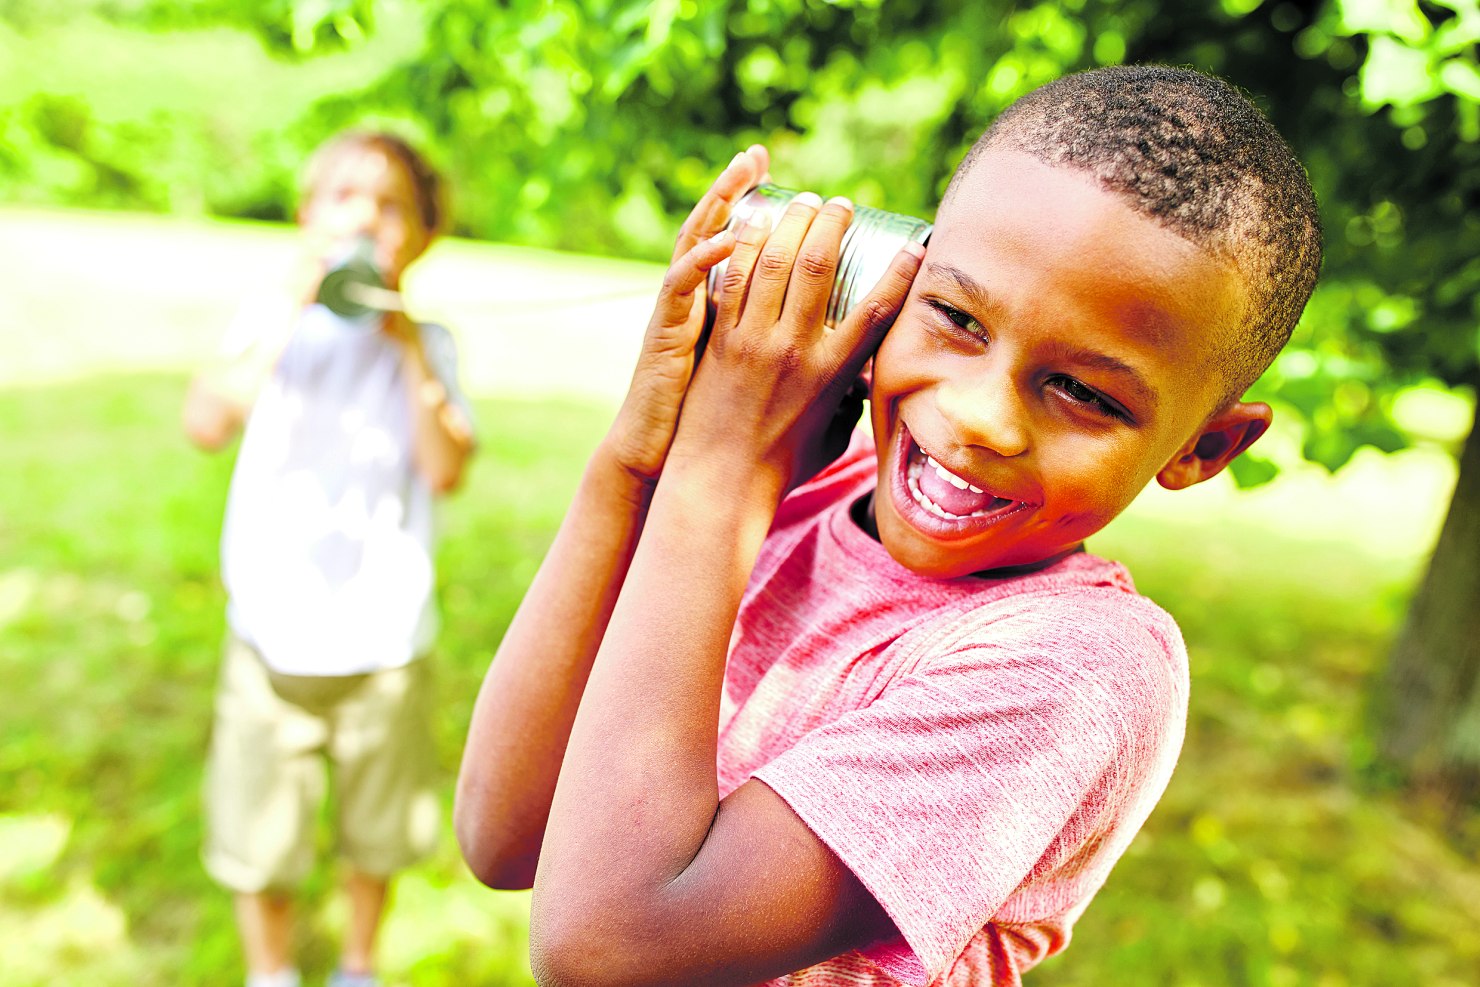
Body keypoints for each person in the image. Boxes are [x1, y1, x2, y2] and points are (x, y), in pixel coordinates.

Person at [454, 65, 1321, 986]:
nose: (982, 417)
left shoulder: (1078, 671)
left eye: (1082, 390)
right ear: (894, 284)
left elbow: (602, 947)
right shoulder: (800, 485)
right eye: (955, 316)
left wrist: (719, 469)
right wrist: (635, 468)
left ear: (1203, 446)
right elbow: (504, 833)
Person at [184, 130, 475, 987]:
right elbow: (206, 421)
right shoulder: (275, 322)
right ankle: (270, 969)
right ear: (308, 214)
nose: (365, 218)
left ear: (420, 236)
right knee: (259, 831)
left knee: (376, 831)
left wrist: (404, 339)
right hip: (270, 631)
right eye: (345, 197)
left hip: (385, 637)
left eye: (390, 207)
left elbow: (446, 467)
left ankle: (357, 963)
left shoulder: (429, 345)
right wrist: (289, 301)